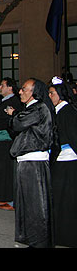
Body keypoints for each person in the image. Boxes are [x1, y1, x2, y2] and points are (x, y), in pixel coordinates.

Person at [6, 78, 54, 248]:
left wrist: (13, 115)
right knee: (27, 203)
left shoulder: (38, 108)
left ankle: (39, 242)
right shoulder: (32, 108)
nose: (20, 91)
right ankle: (32, 239)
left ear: (34, 91)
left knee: (35, 204)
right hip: (27, 160)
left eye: (24, 89)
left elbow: (18, 123)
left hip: (34, 162)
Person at [48, 78, 77, 247]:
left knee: (66, 200)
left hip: (68, 162)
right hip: (60, 160)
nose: (50, 95)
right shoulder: (59, 111)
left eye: (52, 93)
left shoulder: (68, 112)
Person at [0, 78, 22, 210]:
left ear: (10, 88)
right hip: (2, 139)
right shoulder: (5, 102)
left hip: (8, 139)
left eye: (2, 85)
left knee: (8, 169)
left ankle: (11, 199)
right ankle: (4, 196)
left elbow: (13, 120)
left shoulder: (13, 102)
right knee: (2, 168)